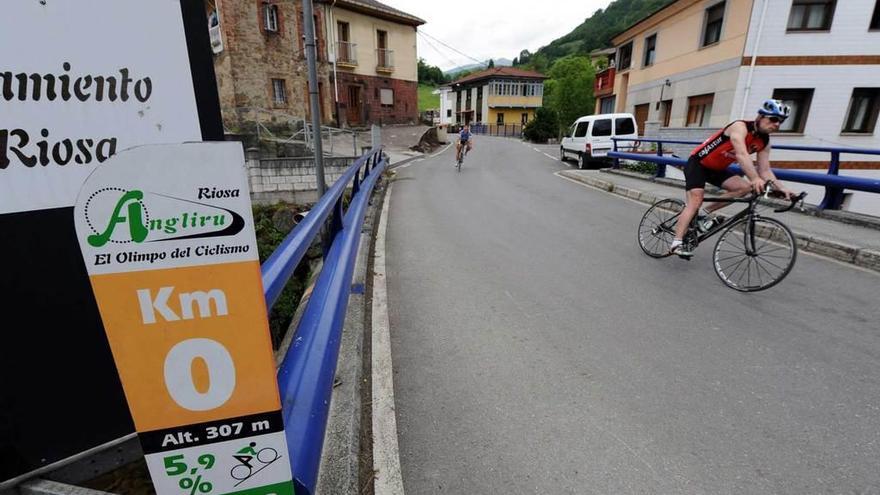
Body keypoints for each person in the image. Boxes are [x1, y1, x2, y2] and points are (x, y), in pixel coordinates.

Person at [670, 99, 796, 258]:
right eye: (773, 119)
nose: (777, 124)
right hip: (698, 163)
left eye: (781, 122)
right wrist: (755, 178)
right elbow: (741, 155)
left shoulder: (765, 142)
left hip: (717, 169)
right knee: (695, 200)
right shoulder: (740, 127)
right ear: (760, 116)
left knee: (745, 187)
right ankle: (676, 242)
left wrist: (782, 188)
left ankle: (704, 213)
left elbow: (765, 170)